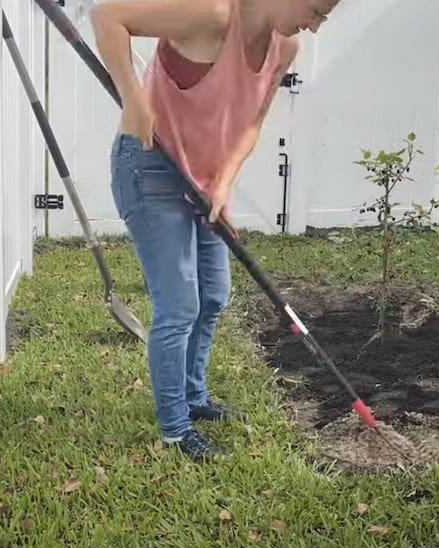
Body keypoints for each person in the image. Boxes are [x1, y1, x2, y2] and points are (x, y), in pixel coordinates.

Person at [91, 0, 339, 461]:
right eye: (315, 9)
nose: (315, 24)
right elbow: (108, 17)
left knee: (215, 294)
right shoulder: (212, 15)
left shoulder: (286, 48)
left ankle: (195, 395)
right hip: (150, 166)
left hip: (203, 180)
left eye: (324, 16)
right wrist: (133, 96)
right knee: (179, 305)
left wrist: (223, 185)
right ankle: (176, 428)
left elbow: (250, 125)